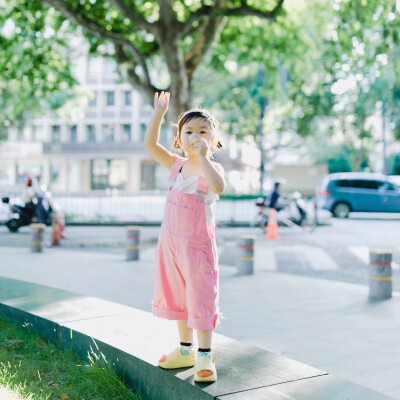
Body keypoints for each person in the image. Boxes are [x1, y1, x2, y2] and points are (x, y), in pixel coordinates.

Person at [145, 91, 225, 382]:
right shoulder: (175, 165)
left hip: (198, 250)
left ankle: (205, 356)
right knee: (178, 298)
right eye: (189, 131)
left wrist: (203, 157)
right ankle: (185, 349)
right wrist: (159, 112)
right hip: (171, 246)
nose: (196, 136)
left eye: (203, 132)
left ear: (213, 140)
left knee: (200, 299)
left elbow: (218, 187)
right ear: (179, 139)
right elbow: (150, 144)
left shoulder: (212, 168)